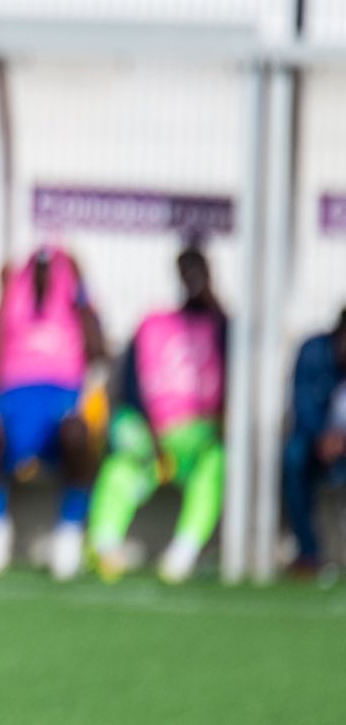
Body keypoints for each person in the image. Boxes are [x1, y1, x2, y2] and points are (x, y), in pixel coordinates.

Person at [0, 247, 107, 580]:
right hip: (13, 400)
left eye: (51, 269)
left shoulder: (74, 305)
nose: (43, 276)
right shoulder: (13, 303)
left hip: (59, 401)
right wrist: (2, 298)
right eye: (37, 269)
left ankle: (70, 531)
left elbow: (99, 351)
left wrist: (80, 289)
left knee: (78, 434)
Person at [88, 246, 227, 583]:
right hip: (152, 439)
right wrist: (152, 439)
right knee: (119, 469)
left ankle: (184, 551)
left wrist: (211, 297)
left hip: (198, 440)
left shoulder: (221, 327)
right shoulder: (152, 325)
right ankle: (105, 547)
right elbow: (128, 390)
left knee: (215, 465)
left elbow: (234, 364)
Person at [283, 308, 346, 577]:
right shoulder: (313, 352)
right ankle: (308, 552)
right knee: (294, 457)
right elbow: (303, 404)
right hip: (316, 442)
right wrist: (323, 436)